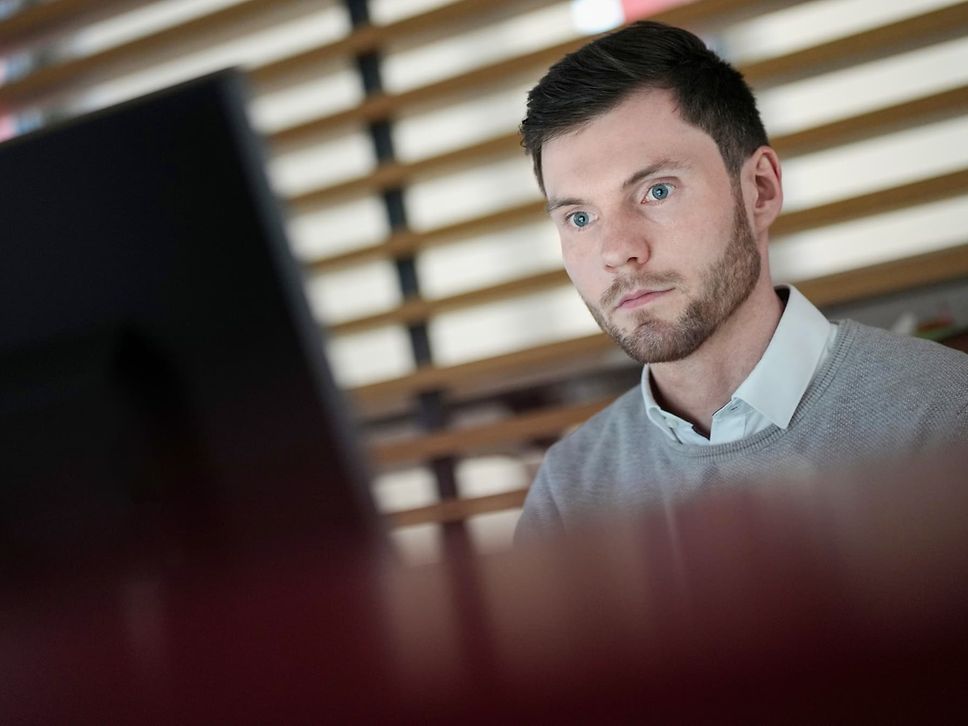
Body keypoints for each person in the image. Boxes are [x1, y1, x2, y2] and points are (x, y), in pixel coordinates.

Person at [515, 20, 968, 538]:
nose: (617, 251)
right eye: (579, 218)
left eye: (657, 192)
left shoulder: (945, 420)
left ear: (760, 190)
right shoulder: (569, 497)